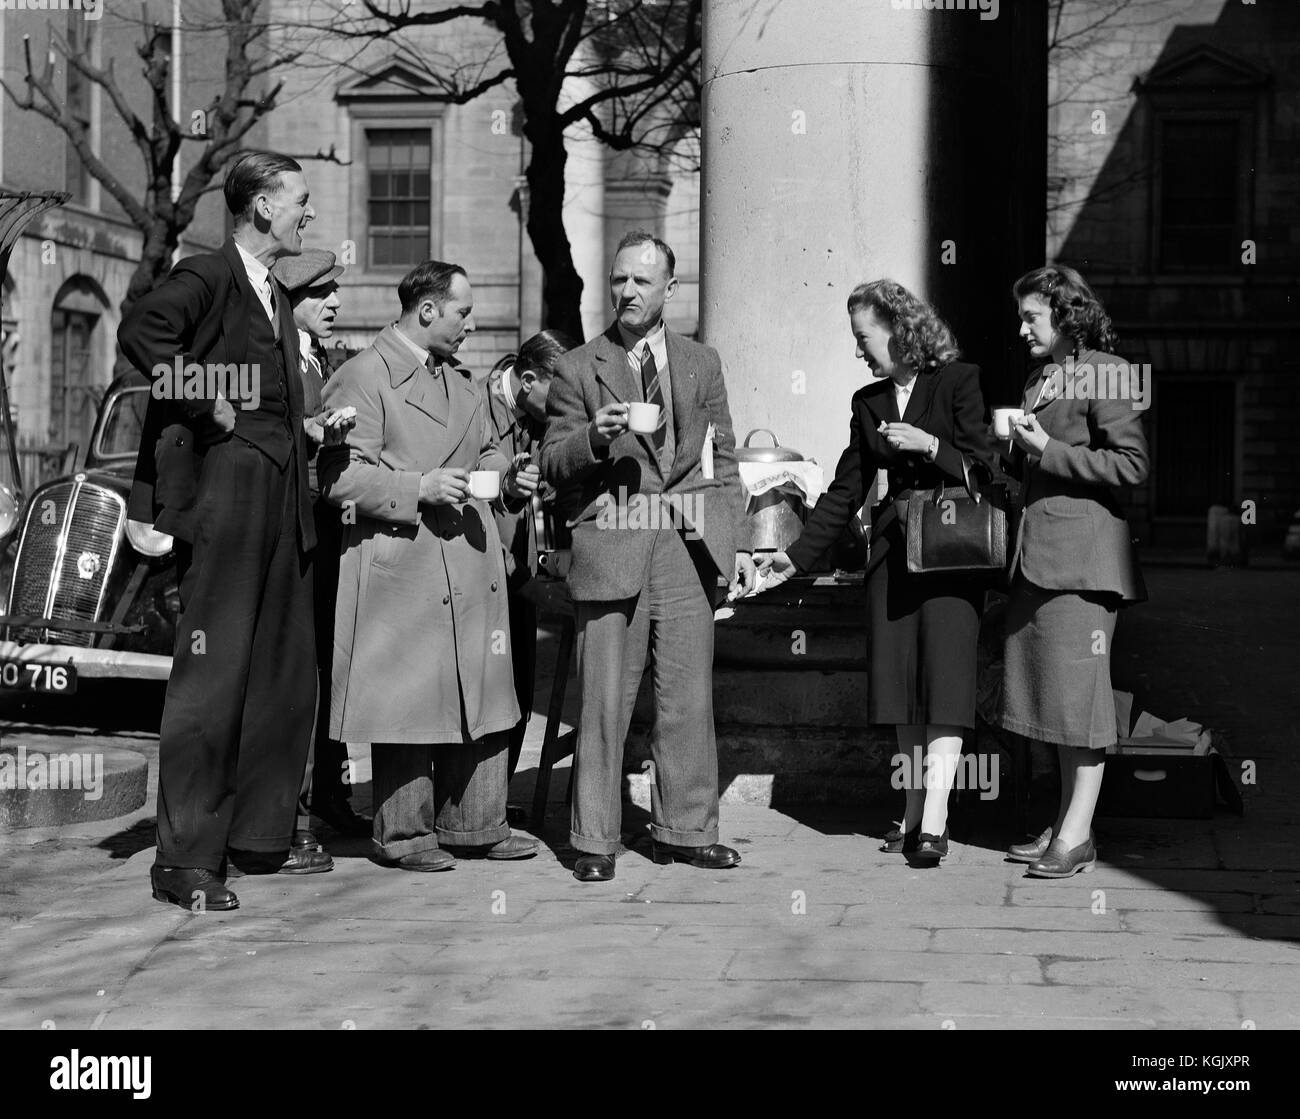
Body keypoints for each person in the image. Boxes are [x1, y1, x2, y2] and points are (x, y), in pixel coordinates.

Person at [121, 151, 329, 911]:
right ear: (263, 207)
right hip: (227, 492)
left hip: (281, 495)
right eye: (301, 200)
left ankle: (256, 833)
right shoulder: (209, 273)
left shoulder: (273, 287)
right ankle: (184, 859)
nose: (310, 213)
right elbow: (142, 331)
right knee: (212, 677)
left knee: (281, 671)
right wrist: (205, 399)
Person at [540, 230, 756, 883]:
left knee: (687, 695)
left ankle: (684, 830)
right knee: (605, 697)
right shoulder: (579, 367)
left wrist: (735, 540)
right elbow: (551, 462)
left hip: (687, 543)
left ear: (669, 287)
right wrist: (594, 439)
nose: (627, 291)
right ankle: (595, 839)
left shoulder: (700, 362)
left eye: (641, 280)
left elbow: (725, 454)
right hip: (611, 539)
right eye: (618, 280)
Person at [758, 279, 994, 864]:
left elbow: (988, 471)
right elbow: (846, 488)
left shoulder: (959, 382)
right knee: (900, 690)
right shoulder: (869, 402)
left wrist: (930, 445)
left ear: (899, 329)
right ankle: (913, 813)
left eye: (864, 336)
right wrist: (795, 556)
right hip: (893, 556)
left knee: (944, 687)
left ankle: (935, 821)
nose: (859, 349)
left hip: (951, 556)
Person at [320, 260, 541, 872]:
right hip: (404, 561)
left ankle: (476, 822)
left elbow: (488, 454)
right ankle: (405, 834)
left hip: (469, 559)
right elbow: (336, 476)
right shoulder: (363, 377)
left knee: (483, 692)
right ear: (427, 311)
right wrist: (417, 487)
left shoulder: (463, 385)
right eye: (462, 313)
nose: (471, 325)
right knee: (410, 699)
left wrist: (511, 477)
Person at [997, 265, 1149, 878]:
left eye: (1032, 316)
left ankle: (1078, 833)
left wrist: (1046, 452)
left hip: (1084, 564)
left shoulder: (1107, 372)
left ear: (1066, 314)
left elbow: (1132, 465)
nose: (1022, 327)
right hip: (1039, 558)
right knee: (1057, 703)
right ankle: (1066, 826)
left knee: (1081, 703)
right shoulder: (1040, 378)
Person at [270, 248, 372, 864]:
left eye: (335, 291)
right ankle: (293, 817)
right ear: (290, 301)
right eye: (320, 294)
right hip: (298, 535)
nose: (334, 302)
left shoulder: (319, 356)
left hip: (333, 532)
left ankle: (328, 793)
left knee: (334, 668)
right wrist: (313, 434)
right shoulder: (280, 358)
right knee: (301, 679)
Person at [483, 329, 579, 782]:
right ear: (526, 380)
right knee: (487, 690)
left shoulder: (541, 420)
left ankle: (497, 796)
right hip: (483, 572)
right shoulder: (476, 412)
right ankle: (475, 805)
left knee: (521, 685)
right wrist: (526, 583)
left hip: (519, 570)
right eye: (556, 395)